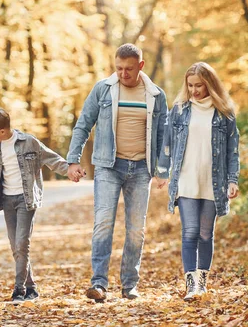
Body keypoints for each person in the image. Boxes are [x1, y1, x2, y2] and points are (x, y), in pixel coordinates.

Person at [67, 43, 168, 301]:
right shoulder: (104, 89)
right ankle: (99, 284)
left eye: (129, 69)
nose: (123, 74)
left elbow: (162, 135)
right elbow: (83, 125)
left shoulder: (156, 95)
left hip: (141, 169)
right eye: (119, 68)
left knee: (136, 229)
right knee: (103, 224)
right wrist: (73, 160)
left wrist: (162, 169)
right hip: (108, 166)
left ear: (141, 66)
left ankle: (129, 285)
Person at [0, 107, 70, 303]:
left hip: (26, 200)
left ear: (2, 131)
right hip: (8, 201)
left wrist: (71, 170)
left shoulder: (29, 142)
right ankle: (32, 288)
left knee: (22, 243)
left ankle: (19, 290)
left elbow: (52, 159)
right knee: (16, 248)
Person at [156, 62, 240, 300]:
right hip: (186, 179)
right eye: (190, 85)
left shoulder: (224, 114)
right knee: (190, 232)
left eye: (199, 86)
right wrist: (163, 172)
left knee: (205, 234)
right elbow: (168, 143)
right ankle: (191, 284)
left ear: (210, 85)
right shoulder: (180, 110)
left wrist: (232, 180)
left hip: (213, 182)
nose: (194, 90)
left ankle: (202, 280)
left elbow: (232, 151)